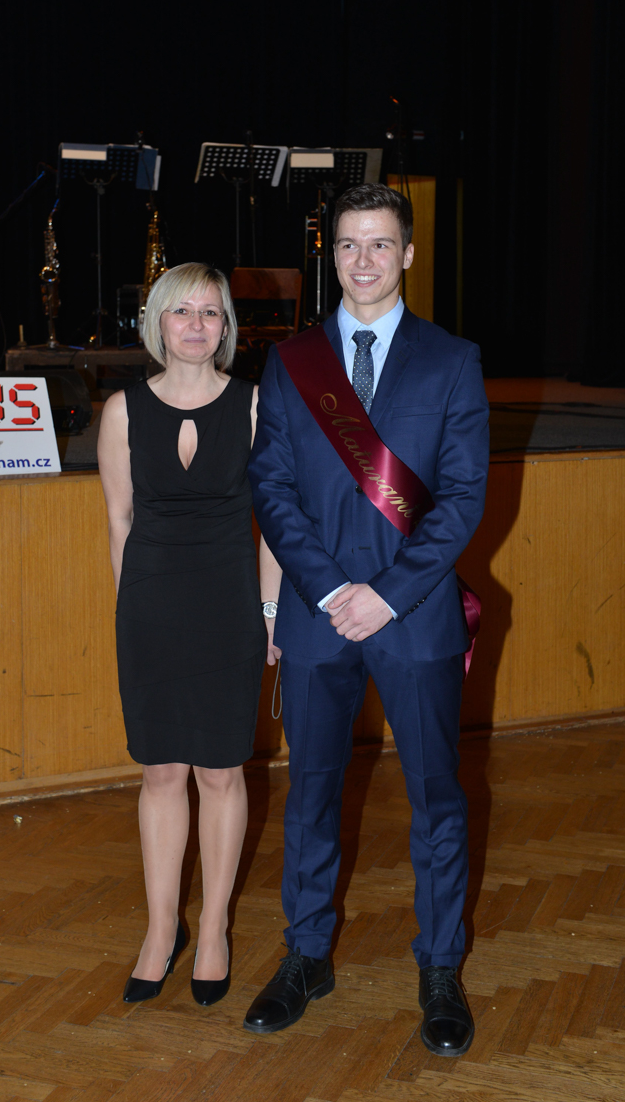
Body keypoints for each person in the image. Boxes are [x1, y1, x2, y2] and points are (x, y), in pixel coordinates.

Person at [245, 183, 489, 1055]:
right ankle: (306, 955)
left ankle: (440, 967)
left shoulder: (451, 360)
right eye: (348, 244)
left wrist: (385, 592)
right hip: (317, 617)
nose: (363, 260)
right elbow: (270, 488)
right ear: (331, 254)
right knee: (310, 795)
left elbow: (461, 498)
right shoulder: (292, 361)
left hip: (414, 614)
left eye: (380, 244)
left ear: (408, 254)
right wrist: (325, 590)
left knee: (435, 798)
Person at [98, 262, 277, 1008]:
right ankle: (160, 927)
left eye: (210, 312)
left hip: (230, 605)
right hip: (151, 608)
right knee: (160, 773)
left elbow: (275, 522)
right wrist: (128, 612)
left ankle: (212, 933)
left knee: (221, 772)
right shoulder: (121, 410)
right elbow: (120, 521)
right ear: (157, 324)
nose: (196, 325)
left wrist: (270, 615)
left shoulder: (256, 405)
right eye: (182, 311)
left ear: (226, 326)